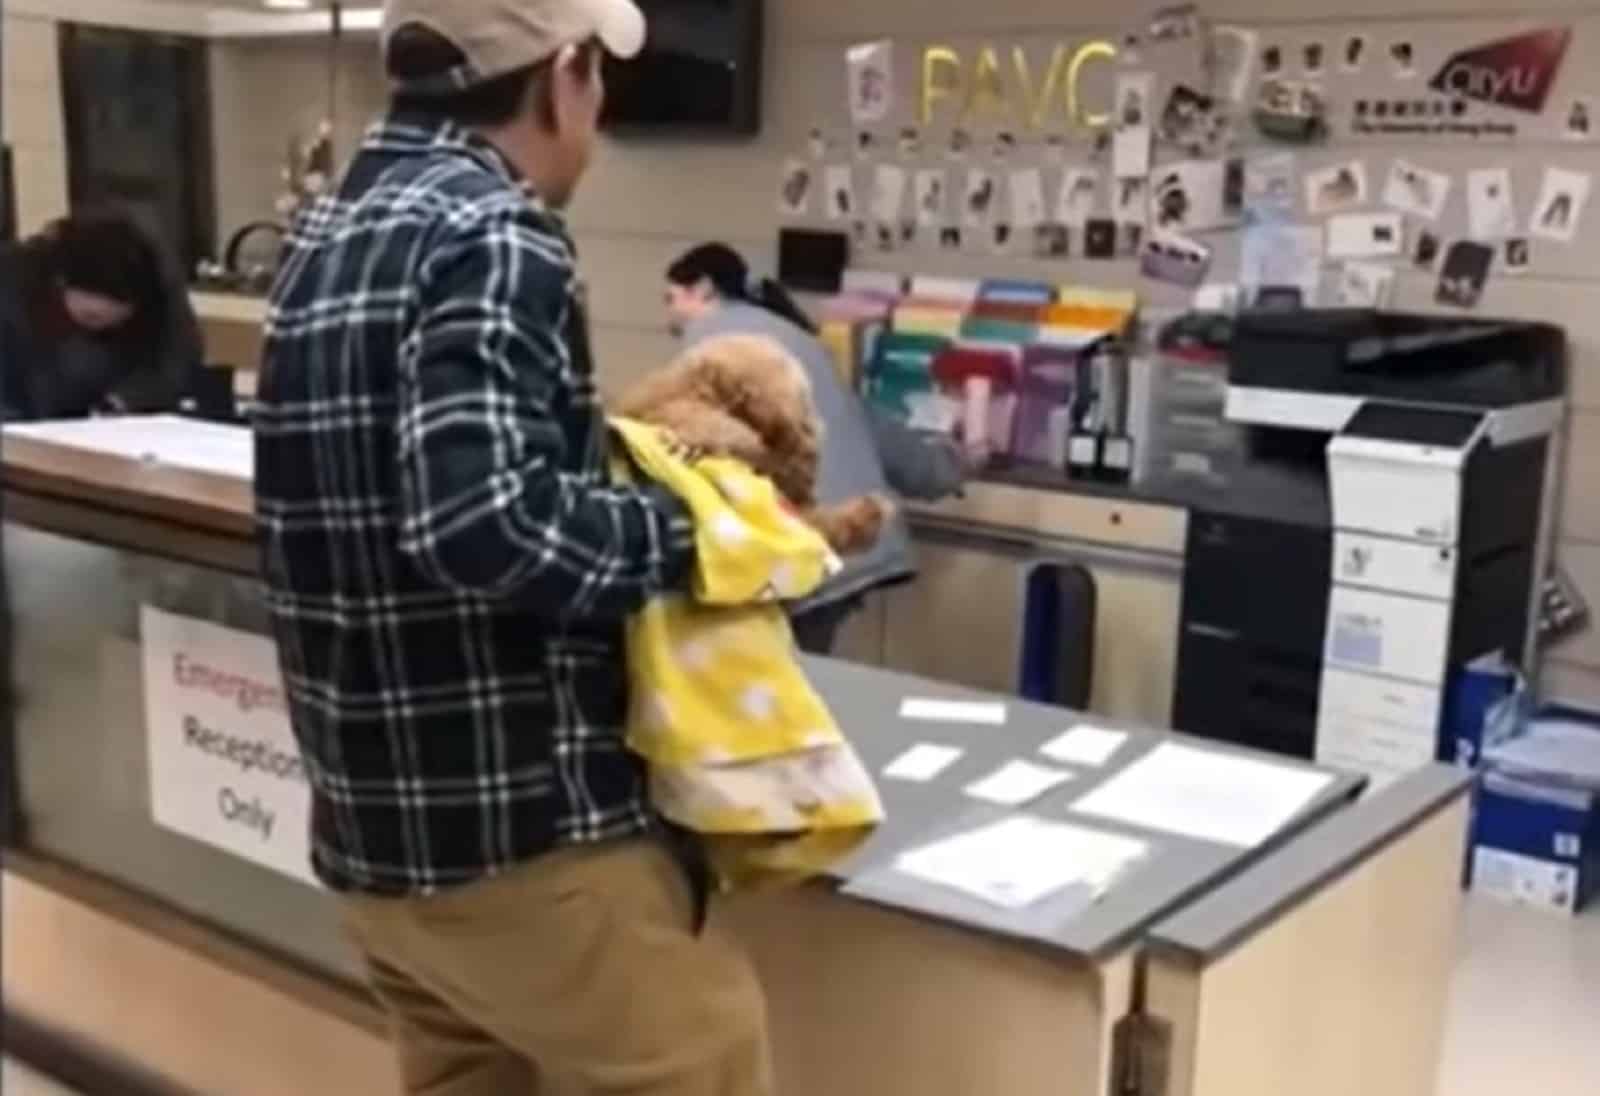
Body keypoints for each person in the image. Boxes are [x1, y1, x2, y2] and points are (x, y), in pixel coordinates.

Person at [253, 3, 771, 1093]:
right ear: (566, 72)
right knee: (706, 1056)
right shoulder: (496, 229)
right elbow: (480, 520)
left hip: (372, 842)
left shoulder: (322, 236)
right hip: (523, 836)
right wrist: (697, 525)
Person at [664, 242, 966, 655]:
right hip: (851, 536)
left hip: (801, 544)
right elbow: (868, 424)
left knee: (777, 685)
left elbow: (697, 440)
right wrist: (946, 467)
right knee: (804, 678)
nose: (669, 317)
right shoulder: (798, 340)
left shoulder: (713, 342)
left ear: (703, 289)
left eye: (672, 299)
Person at [0, 210, 200, 421]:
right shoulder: (13, 283)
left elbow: (174, 364)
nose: (98, 328)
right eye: (90, 317)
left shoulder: (156, 284)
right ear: (60, 282)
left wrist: (123, 402)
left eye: (115, 323)